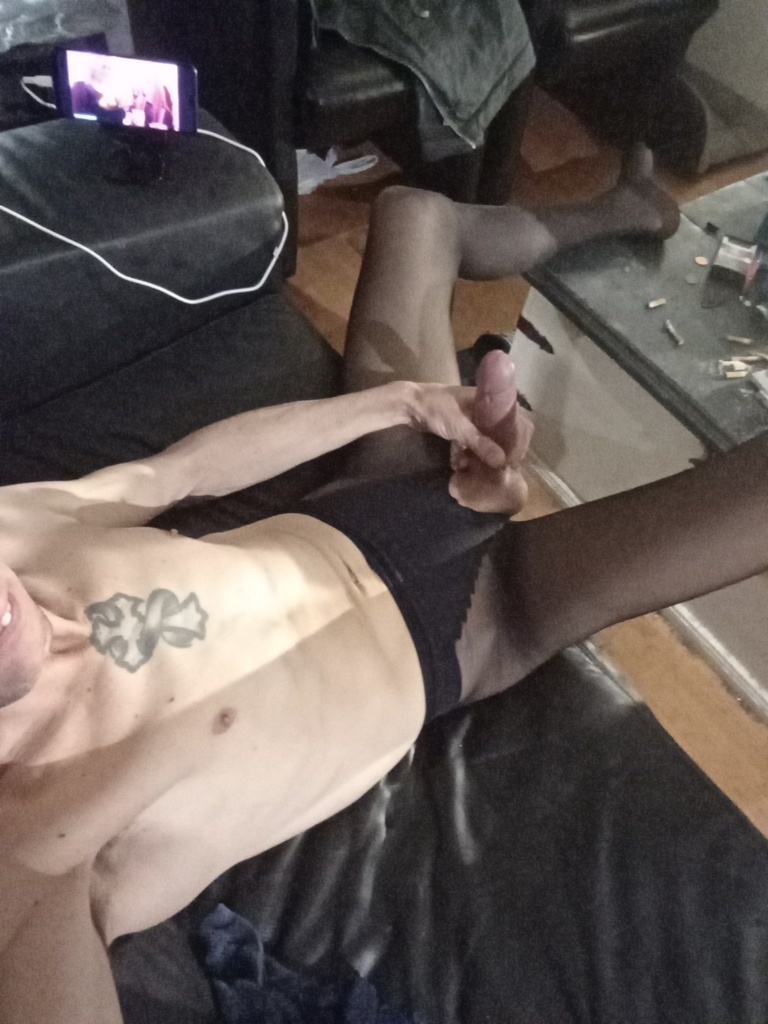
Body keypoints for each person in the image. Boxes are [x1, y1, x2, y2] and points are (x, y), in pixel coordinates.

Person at [1, 148, 765, 1022]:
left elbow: (175, 474)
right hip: (470, 622)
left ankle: (633, 206)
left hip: (362, 499)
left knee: (413, 215)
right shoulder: (31, 858)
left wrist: (402, 404)